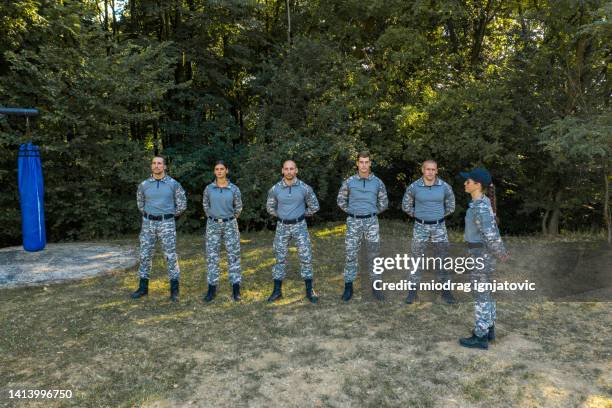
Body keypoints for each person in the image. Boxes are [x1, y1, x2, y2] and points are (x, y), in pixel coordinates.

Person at [459, 168, 509, 349]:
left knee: (481, 295)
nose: (465, 184)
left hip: (480, 255)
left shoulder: (480, 206)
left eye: (468, 181)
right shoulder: (482, 203)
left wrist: (500, 253)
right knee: (486, 293)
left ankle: (480, 336)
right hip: (482, 254)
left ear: (478, 185)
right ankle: (488, 329)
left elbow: (490, 234)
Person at [131, 155, 187, 302]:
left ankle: (174, 291)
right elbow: (140, 204)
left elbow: (182, 204)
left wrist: (167, 215)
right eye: (154, 163)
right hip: (148, 224)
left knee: (170, 256)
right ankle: (143, 288)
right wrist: (150, 215)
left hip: (166, 224)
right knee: (145, 256)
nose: (157, 166)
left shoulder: (173, 184)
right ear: (151, 166)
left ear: (164, 166)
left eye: (160, 163)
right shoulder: (144, 185)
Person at [401, 160, 456, 304]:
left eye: (433, 169)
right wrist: (417, 215)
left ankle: (446, 292)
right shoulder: (414, 187)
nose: (430, 172)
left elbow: (451, 205)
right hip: (420, 227)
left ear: (436, 171)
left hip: (439, 227)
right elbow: (405, 205)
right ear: (423, 170)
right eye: (428, 169)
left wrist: (439, 215)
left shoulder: (444, 187)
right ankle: (412, 292)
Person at [266, 160, 320, 303]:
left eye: (292, 169)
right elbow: (270, 208)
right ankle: (277, 291)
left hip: (299, 225)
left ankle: (310, 291)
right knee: (279, 258)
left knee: (305, 257)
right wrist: (283, 215)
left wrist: (300, 214)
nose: (289, 171)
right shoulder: (275, 189)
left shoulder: (304, 188)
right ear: (282, 171)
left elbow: (314, 206)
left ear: (296, 170)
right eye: (286, 169)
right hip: (282, 227)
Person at [337, 150, 388, 301]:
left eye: (367, 162)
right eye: (361, 162)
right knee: (351, 254)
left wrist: (371, 212)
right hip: (353, 222)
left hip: (371, 221)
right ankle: (348, 287)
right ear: (357, 163)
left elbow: (384, 203)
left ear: (370, 163)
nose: (364, 165)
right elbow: (340, 200)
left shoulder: (378, 182)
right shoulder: (349, 182)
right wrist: (353, 212)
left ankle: (376, 287)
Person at [202, 161, 243, 302]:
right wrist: (214, 217)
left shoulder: (234, 189)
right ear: (214, 172)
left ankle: (236, 289)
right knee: (212, 257)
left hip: (230, 224)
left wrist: (229, 219)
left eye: (222, 169)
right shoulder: (209, 189)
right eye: (216, 169)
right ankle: (211, 289)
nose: (219, 171)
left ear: (227, 170)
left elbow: (238, 208)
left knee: (234, 256)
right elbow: (205, 206)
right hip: (213, 224)